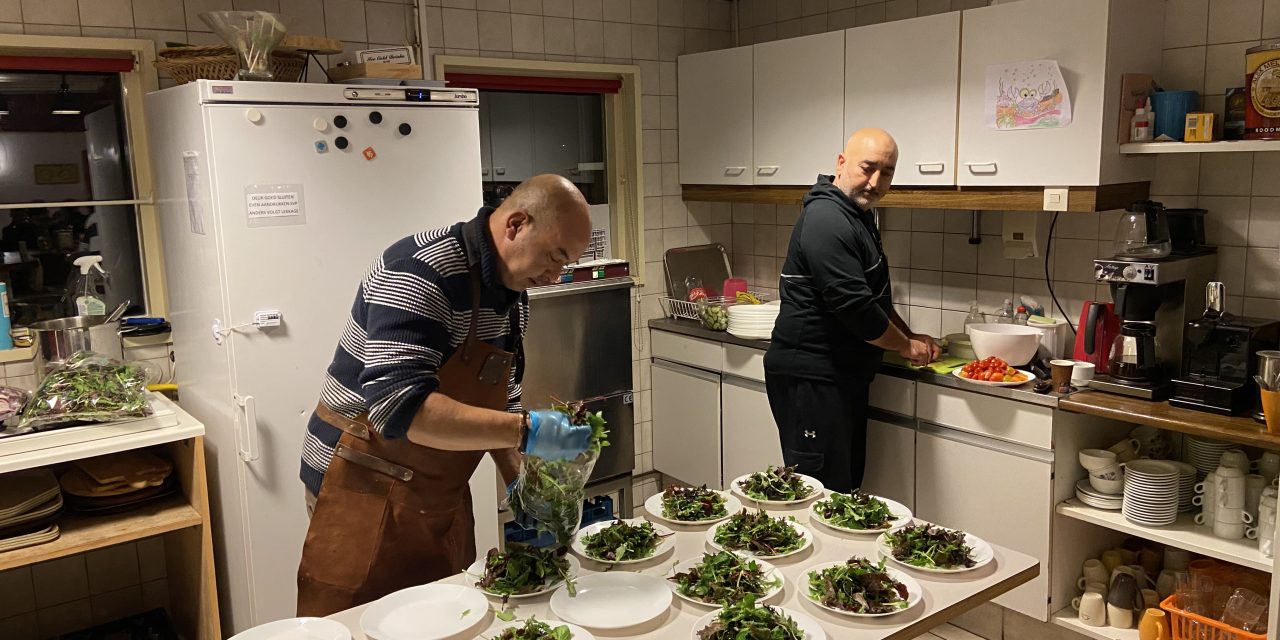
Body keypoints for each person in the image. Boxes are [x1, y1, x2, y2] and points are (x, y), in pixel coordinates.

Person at [296, 174, 595, 616]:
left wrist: (521, 484)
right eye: (555, 257)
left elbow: (502, 398)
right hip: (363, 482)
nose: (554, 276)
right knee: (364, 622)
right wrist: (527, 430)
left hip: (438, 489)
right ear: (515, 225)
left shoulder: (515, 295)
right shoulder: (420, 270)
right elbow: (402, 407)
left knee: (449, 617)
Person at [763, 128, 939, 494]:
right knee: (819, 490)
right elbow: (856, 308)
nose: (875, 182)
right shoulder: (827, 219)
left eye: (887, 172)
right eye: (867, 168)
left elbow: (872, 296)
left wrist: (907, 335)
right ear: (841, 163)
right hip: (812, 377)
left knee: (843, 486)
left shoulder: (854, 214)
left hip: (839, 377)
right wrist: (904, 347)